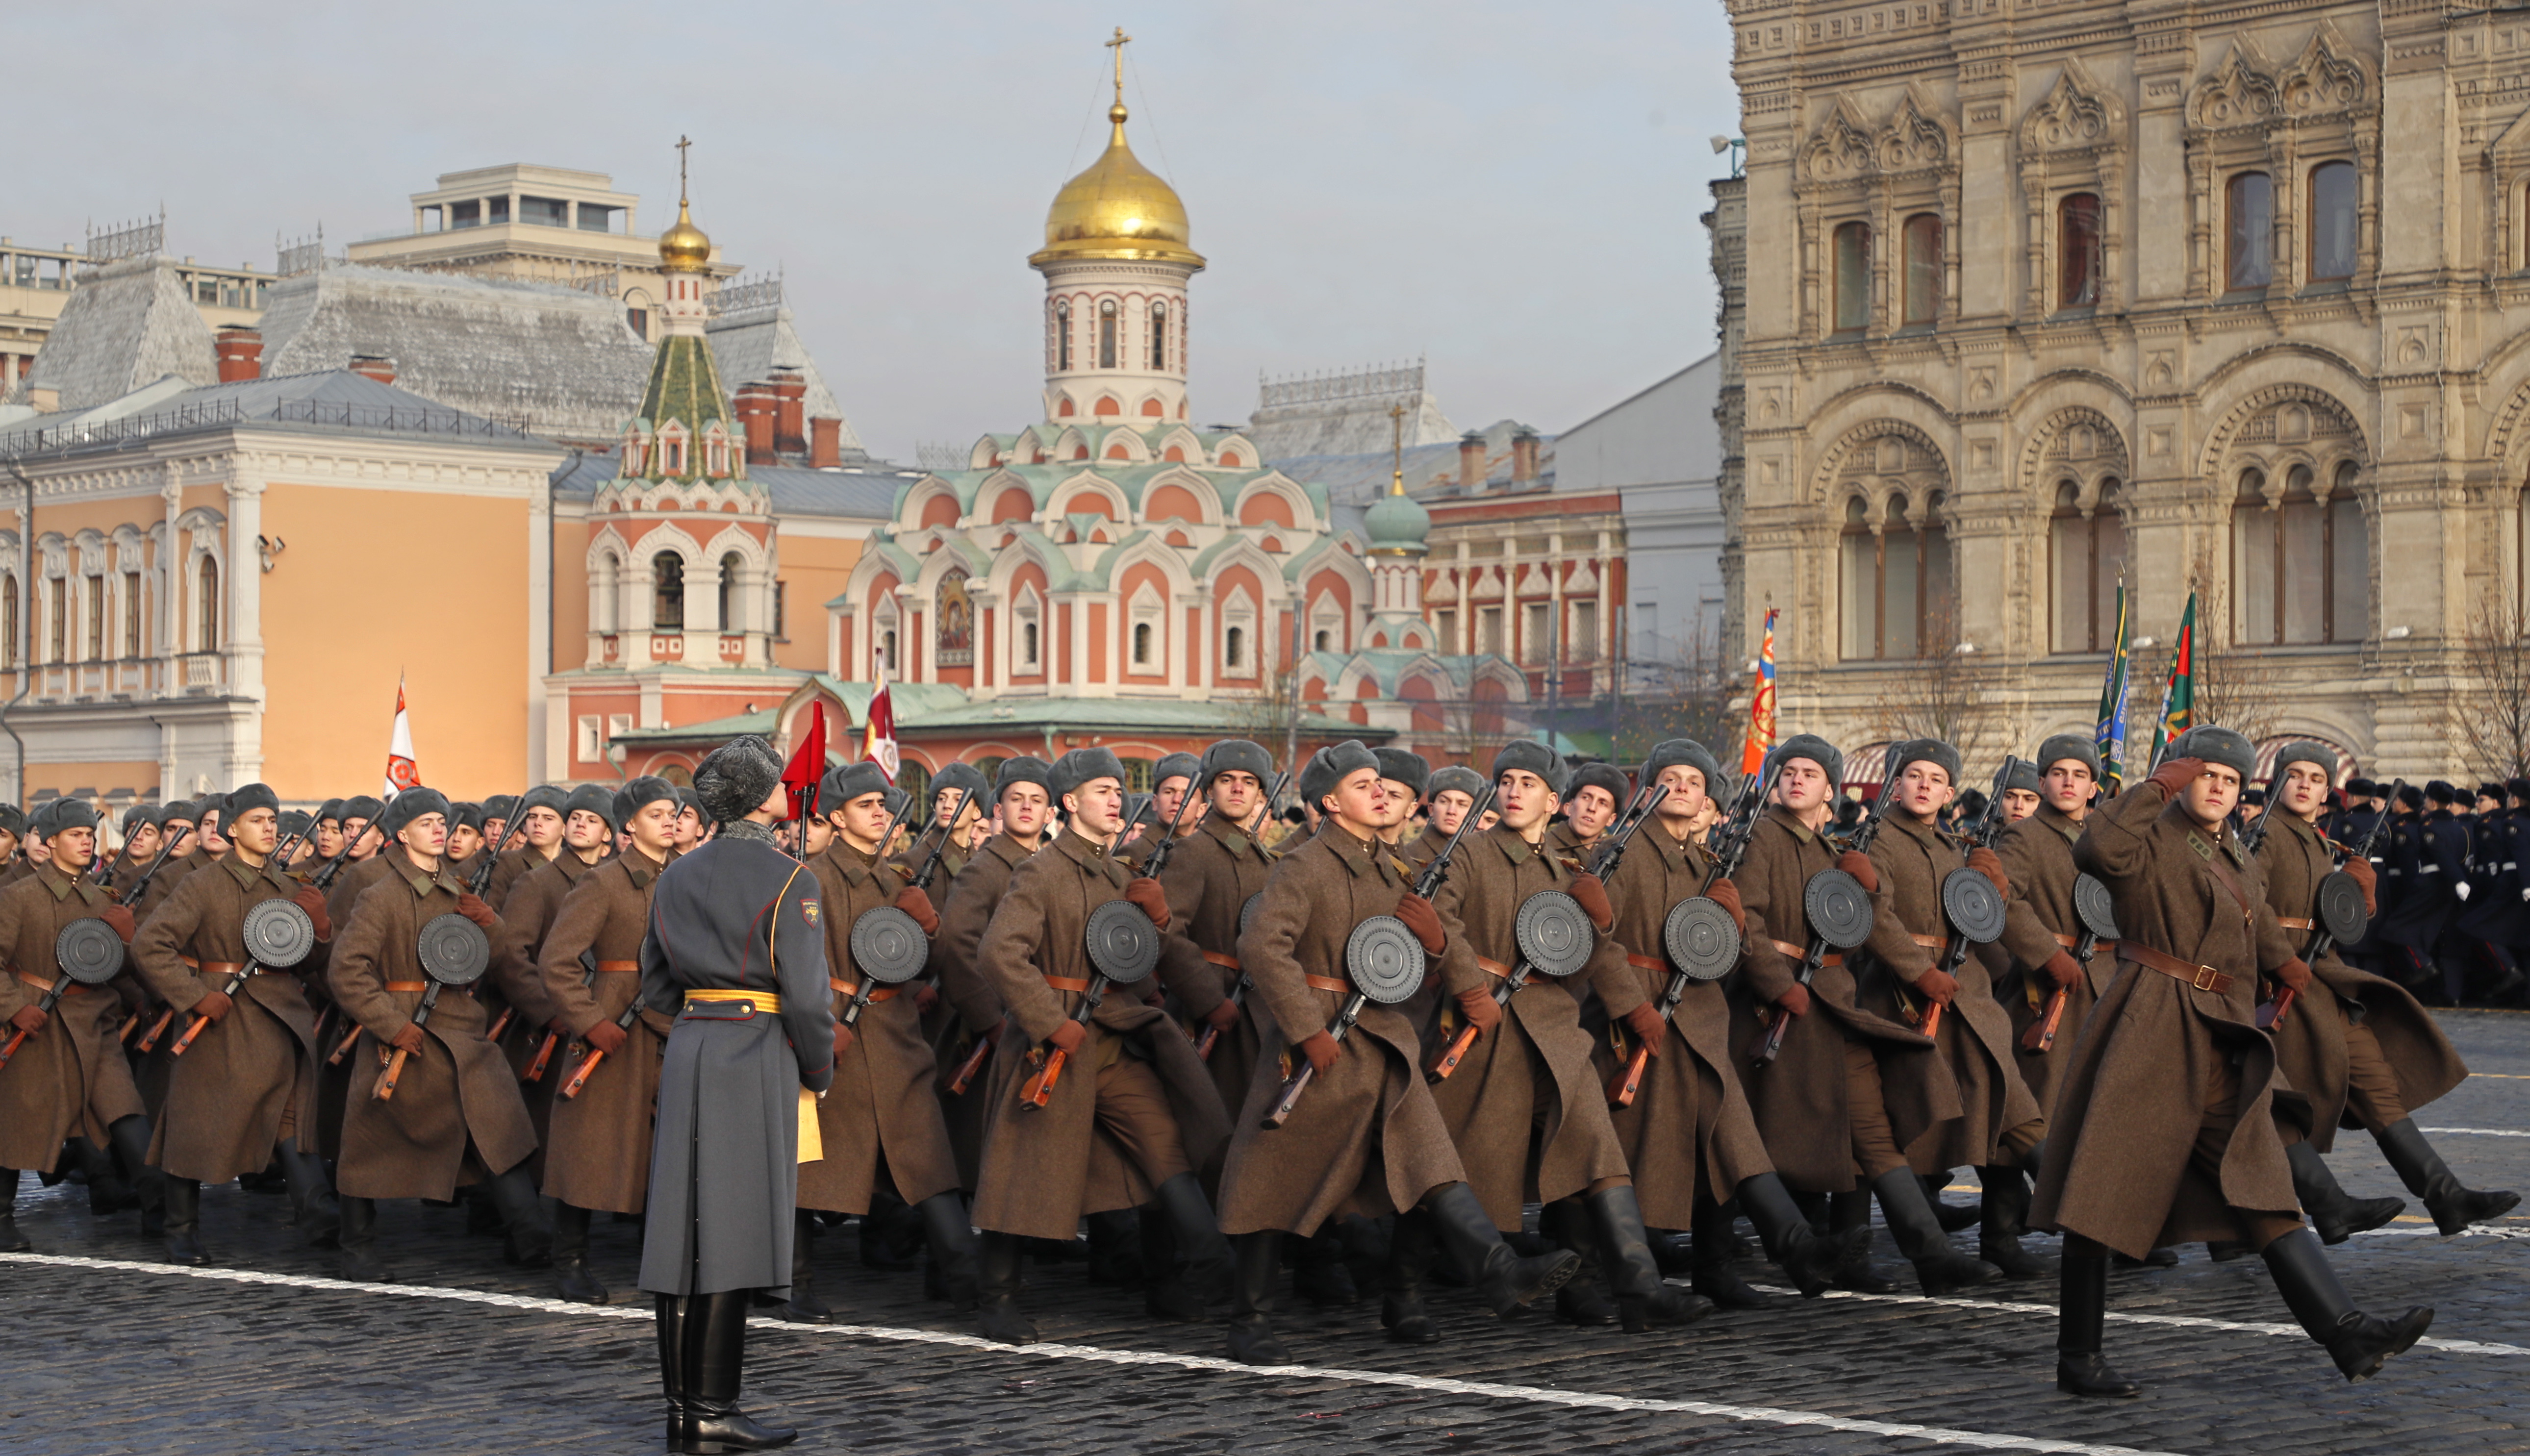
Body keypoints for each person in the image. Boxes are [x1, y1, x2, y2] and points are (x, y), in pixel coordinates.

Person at [2036, 727, 2431, 1396]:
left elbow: (2256, 919)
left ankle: (2347, 1330)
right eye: (2204, 773)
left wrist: (2284, 963)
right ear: (2182, 777)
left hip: (2219, 1033)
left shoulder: (2231, 847)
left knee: (2261, 1178)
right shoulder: (2150, 833)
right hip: (2153, 1025)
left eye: (2230, 778)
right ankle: (2079, 1357)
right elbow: (2096, 847)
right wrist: (2158, 781)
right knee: (2101, 1191)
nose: (2217, 786)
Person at [1215, 739, 1578, 1362]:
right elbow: (1262, 947)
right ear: (1331, 803)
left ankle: (1492, 1270)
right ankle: (1249, 1319)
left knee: (1431, 1161)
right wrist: (1307, 1029)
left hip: (1383, 1041)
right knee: (1273, 1180)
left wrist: (1436, 944)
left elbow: (1401, 955)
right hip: (1320, 1043)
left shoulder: (1394, 868)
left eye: (1381, 783)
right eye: (1363, 785)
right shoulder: (1304, 866)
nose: (1380, 792)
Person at [1427, 739, 1706, 1332]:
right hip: (1486, 1026)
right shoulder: (1469, 855)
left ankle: (1637, 1287)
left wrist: (1630, 1001)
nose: (1513, 791)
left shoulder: (1568, 872)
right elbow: (1441, 922)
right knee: (1448, 1157)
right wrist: (1469, 985)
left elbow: (1595, 957)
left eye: (1528, 783)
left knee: (1595, 1150)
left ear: (1552, 800)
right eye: (1505, 781)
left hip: (1554, 1029)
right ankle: (1402, 1293)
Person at [966, 747, 1232, 1344]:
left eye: (1119, 791)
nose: (1117, 800)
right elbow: (997, 952)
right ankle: (997, 1297)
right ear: (1070, 802)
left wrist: (1157, 925)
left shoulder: (1119, 875)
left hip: (1112, 1038)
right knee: (1024, 1171)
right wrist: (1044, 1020)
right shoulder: (1041, 870)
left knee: (1165, 1153)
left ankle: (1197, 1275)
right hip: (1055, 1043)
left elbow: (1133, 962)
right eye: (1103, 790)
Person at [1595, 738, 1866, 1308]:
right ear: (1649, 788)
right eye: (1671, 779)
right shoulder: (1624, 851)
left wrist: (1730, 919)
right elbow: (1600, 943)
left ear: (1706, 803)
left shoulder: (1704, 863)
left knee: (1730, 1137)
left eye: (1695, 784)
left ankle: (1778, 1251)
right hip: (1642, 1014)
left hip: (1696, 1013)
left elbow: (1715, 948)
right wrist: (1633, 1007)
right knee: (1616, 1146)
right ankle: (1615, 1278)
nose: (1683, 790)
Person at [637, 735, 835, 1454]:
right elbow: (809, 1000)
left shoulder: (674, 875)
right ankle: (712, 1409)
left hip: (691, 1044)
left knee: (682, 1233)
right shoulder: (792, 879)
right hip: (757, 1052)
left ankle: (683, 1412)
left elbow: (655, 986)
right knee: (731, 1231)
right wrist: (819, 1070)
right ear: (761, 798)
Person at [2255, 743, 2514, 1239]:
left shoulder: (2320, 840)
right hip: (2277, 983)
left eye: (2315, 776)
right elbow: (2250, 908)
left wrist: (2358, 890)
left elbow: (2342, 920)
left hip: (2325, 979)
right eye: (2295, 775)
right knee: (2272, 1105)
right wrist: (2279, 961)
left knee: (2376, 1084)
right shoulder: (2266, 837)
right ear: (2278, 783)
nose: (2305, 784)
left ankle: (2446, 1197)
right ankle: (2295, 1212)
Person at [1725, 733, 1950, 1296]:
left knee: (1870, 1128)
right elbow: (1747, 920)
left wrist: (1865, 894)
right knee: (1745, 1136)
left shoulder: (1826, 850)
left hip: (1830, 1005)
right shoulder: (1762, 837)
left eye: (1810, 773)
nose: (1797, 779)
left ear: (1831, 789)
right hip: (1774, 1008)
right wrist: (1778, 985)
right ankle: (1743, 1258)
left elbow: (1845, 935)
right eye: (1789, 771)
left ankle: (1932, 1254)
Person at [325, 787, 549, 1280]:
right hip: (403, 1028)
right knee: (370, 1143)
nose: (438, 829)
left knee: (499, 1126)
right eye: (427, 822)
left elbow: (487, 958)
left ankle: (530, 1233)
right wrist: (390, 1023)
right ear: (402, 834)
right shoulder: (379, 895)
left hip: (460, 1027)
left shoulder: (458, 890)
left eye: (442, 821)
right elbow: (347, 970)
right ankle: (355, 1245)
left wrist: (489, 924)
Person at [1852, 738, 2041, 1287]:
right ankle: (1863, 1245)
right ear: (1896, 784)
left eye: (1936, 779)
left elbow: (1971, 921)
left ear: (1951, 793)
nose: (1925, 786)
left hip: (1966, 998)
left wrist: (1993, 897)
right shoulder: (1879, 841)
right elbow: (1876, 916)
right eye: (1914, 776)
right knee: (1889, 1123)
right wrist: (1918, 971)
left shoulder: (1951, 844)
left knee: (2008, 1106)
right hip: (1904, 1000)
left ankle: (2052, 1217)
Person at [796, 760, 977, 1322]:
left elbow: (939, 963)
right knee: (809, 1170)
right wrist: (826, 1023)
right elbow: (798, 964)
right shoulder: (811, 880)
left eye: (884, 804)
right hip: (837, 1036)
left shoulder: (901, 878)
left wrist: (930, 929)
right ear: (835, 816)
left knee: (930, 1165)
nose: (881, 813)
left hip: (896, 1037)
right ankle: (789, 1284)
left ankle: (972, 1289)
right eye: (866, 805)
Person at [133, 783, 337, 1262]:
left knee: (290, 1118)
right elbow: (150, 946)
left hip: (281, 1017)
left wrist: (321, 927)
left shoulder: (289, 888)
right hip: (221, 1020)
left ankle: (318, 1212)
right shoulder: (202, 884)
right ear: (232, 829)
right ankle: (180, 1228)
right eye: (257, 820)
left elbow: (310, 964)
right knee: (197, 1125)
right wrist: (194, 995)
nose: (269, 829)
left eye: (272, 820)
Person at [535, 776, 683, 1305]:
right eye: (656, 813)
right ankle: (570, 1259)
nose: (669, 821)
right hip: (613, 1028)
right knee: (589, 1147)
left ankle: (662, 1258)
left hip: (672, 1024)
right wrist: (587, 1018)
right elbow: (558, 961)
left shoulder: (684, 879)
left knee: (666, 1149)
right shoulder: (603, 883)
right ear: (629, 824)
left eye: (673, 812)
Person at [0, 798, 159, 1252]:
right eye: (75, 834)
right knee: (19, 1122)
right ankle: (2, 1217)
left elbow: (119, 969)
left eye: (90, 834)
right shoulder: (16, 898)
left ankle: (160, 1209)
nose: (86, 840)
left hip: (94, 1022)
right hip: (38, 1024)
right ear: (50, 843)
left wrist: (127, 939)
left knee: (126, 1112)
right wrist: (13, 1008)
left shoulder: (102, 899)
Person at [930, 757, 1054, 1196]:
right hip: (991, 1028)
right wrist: (989, 1019)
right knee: (977, 1147)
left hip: (1037, 1020)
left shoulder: (1047, 865)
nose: (1026, 808)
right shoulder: (985, 868)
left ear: (1051, 812)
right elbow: (956, 946)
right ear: (997, 809)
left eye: (1037, 800)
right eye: (1015, 799)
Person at [903, 762, 989, 915]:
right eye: (941, 799)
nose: (947, 805)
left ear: (977, 812)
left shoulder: (983, 864)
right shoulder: (911, 862)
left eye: (958, 800)